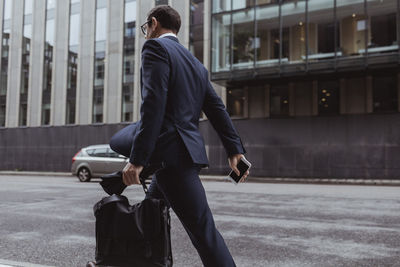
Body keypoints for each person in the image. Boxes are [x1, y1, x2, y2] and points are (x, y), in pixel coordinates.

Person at [121, 5, 248, 267]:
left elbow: (153, 105)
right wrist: (234, 150)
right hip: (181, 153)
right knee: (150, 215)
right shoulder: (196, 64)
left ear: (154, 24)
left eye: (146, 28)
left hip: (171, 157)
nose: (146, 34)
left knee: (204, 231)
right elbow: (217, 109)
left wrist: (137, 159)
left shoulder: (155, 48)